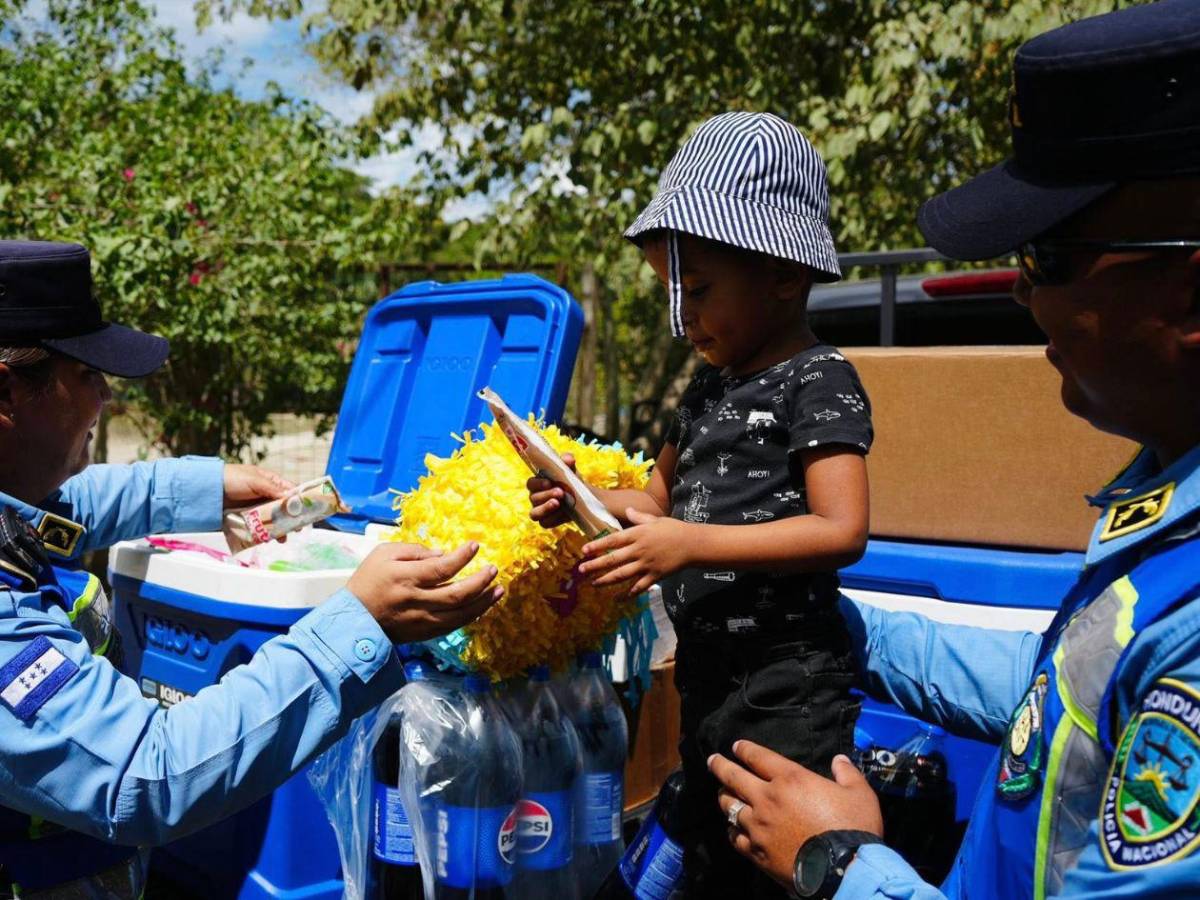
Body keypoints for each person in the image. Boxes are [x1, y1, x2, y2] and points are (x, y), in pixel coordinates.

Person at [708, 2, 1200, 897]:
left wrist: (841, 863)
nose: (1020, 293)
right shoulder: (1167, 510)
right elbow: (1066, 685)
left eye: (1048, 255)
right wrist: (819, 621)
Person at [0, 240, 503, 898]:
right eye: (86, 374)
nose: (105, 398)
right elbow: (145, 775)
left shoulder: (19, 509)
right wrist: (356, 627)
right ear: (8, 390)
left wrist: (208, 488)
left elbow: (77, 511)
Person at [528, 112, 874, 898]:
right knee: (716, 854)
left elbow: (840, 528)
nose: (682, 317)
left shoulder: (818, 379)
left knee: (775, 862)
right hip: (707, 675)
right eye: (670, 293)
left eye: (702, 290)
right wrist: (577, 495)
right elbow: (655, 500)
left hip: (789, 685)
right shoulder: (709, 387)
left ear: (787, 274)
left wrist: (687, 544)